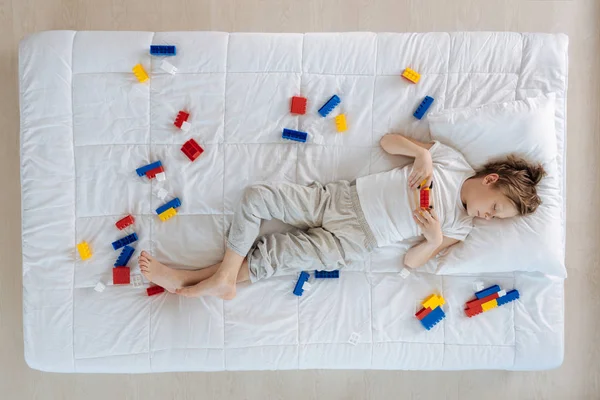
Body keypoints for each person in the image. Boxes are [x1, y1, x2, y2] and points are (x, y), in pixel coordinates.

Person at [138, 134, 546, 299]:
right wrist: (421, 154)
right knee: (257, 197)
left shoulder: (461, 226)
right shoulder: (450, 161)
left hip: (355, 242)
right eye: (495, 208)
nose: (489, 217)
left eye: (497, 219)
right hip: (340, 200)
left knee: (273, 254)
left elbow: (411, 262)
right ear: (490, 179)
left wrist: (434, 240)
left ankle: (195, 279)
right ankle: (221, 278)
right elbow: (389, 141)